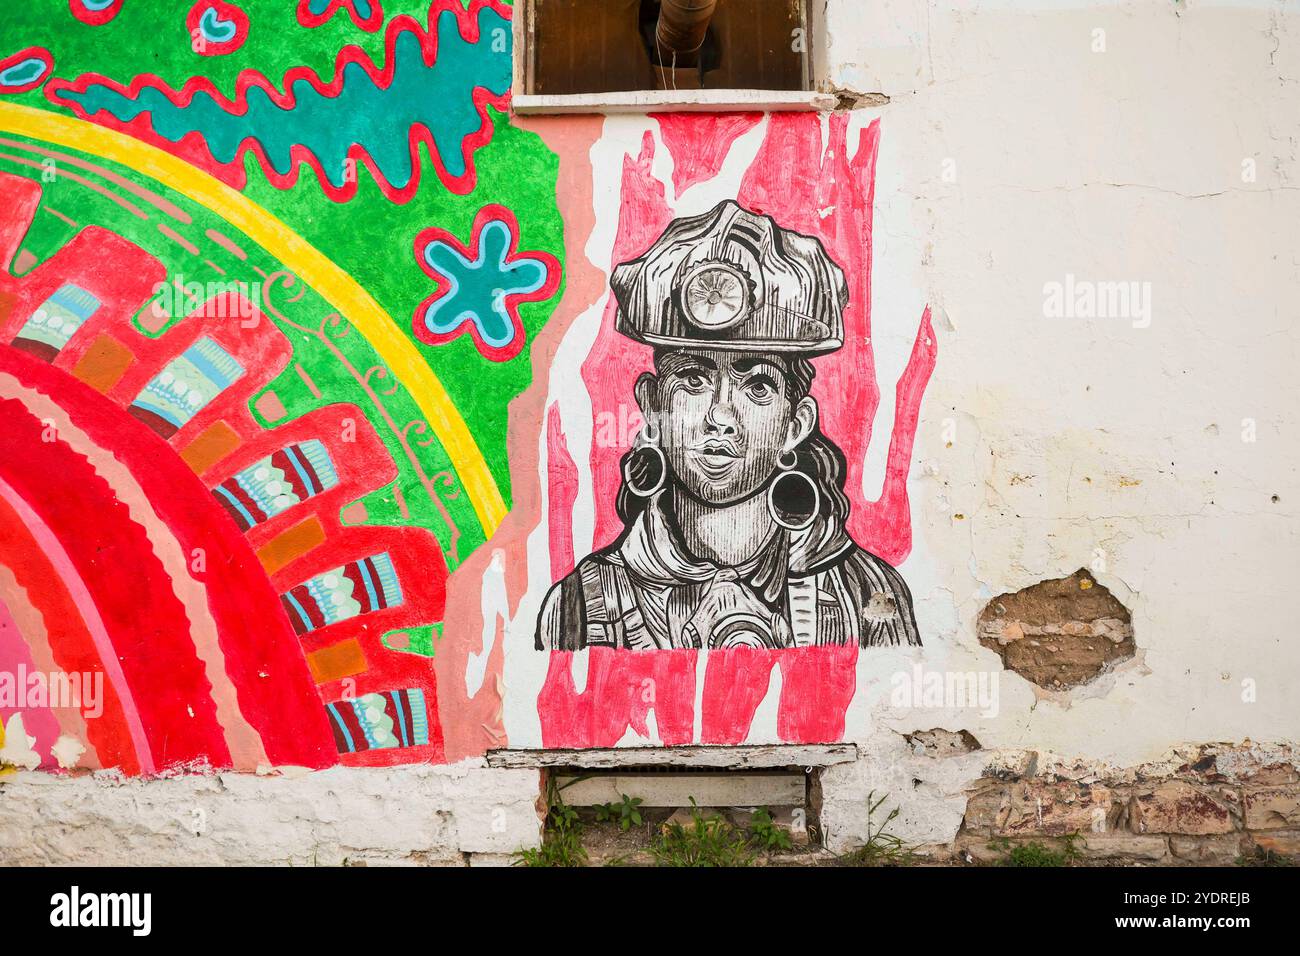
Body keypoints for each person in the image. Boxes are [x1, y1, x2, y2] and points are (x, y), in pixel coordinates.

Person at [536, 200, 920, 651]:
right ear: (652, 405)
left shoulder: (867, 595)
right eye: (694, 379)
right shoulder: (579, 606)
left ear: (795, 424)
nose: (720, 416)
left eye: (756, 385)